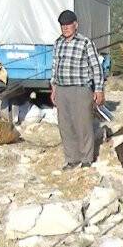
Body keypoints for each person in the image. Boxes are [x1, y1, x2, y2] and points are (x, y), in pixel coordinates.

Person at [50, 10, 104, 169]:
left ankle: (86, 159)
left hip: (80, 89)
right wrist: (53, 88)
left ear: (76, 25)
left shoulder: (85, 42)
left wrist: (99, 89)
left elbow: (96, 67)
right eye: (63, 25)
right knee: (66, 126)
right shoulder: (58, 43)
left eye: (68, 24)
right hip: (62, 89)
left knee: (83, 125)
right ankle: (72, 159)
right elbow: (54, 67)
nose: (65, 28)